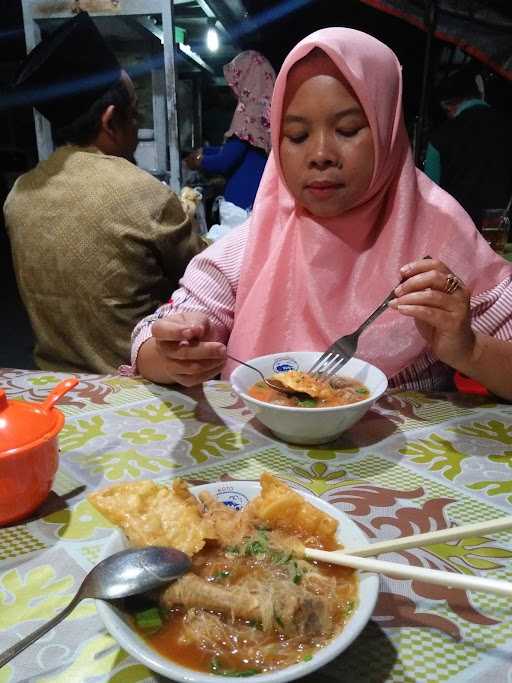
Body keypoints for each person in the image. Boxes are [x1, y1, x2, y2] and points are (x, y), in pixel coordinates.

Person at [131, 28, 512, 400]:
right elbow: (154, 336)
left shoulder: (440, 234)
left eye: (347, 130)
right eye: (296, 136)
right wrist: (173, 353)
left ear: (388, 130)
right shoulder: (261, 236)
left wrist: (471, 350)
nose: (320, 154)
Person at [3, 12, 205, 374]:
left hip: (53, 387)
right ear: (111, 121)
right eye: (135, 115)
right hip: (134, 389)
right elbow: (202, 274)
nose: (138, 124)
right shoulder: (140, 191)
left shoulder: (19, 193)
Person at [185, 50, 276, 211]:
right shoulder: (268, 111)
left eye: (236, 83)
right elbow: (239, 149)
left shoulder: (249, 113)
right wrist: (205, 150)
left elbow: (224, 162)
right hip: (260, 200)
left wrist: (198, 160)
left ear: (248, 80)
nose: (233, 90)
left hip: (242, 206)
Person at [424, 67, 512, 227]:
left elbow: (431, 195)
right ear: (480, 94)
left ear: (447, 106)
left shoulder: (440, 138)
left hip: (458, 231)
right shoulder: (507, 127)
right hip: (502, 230)